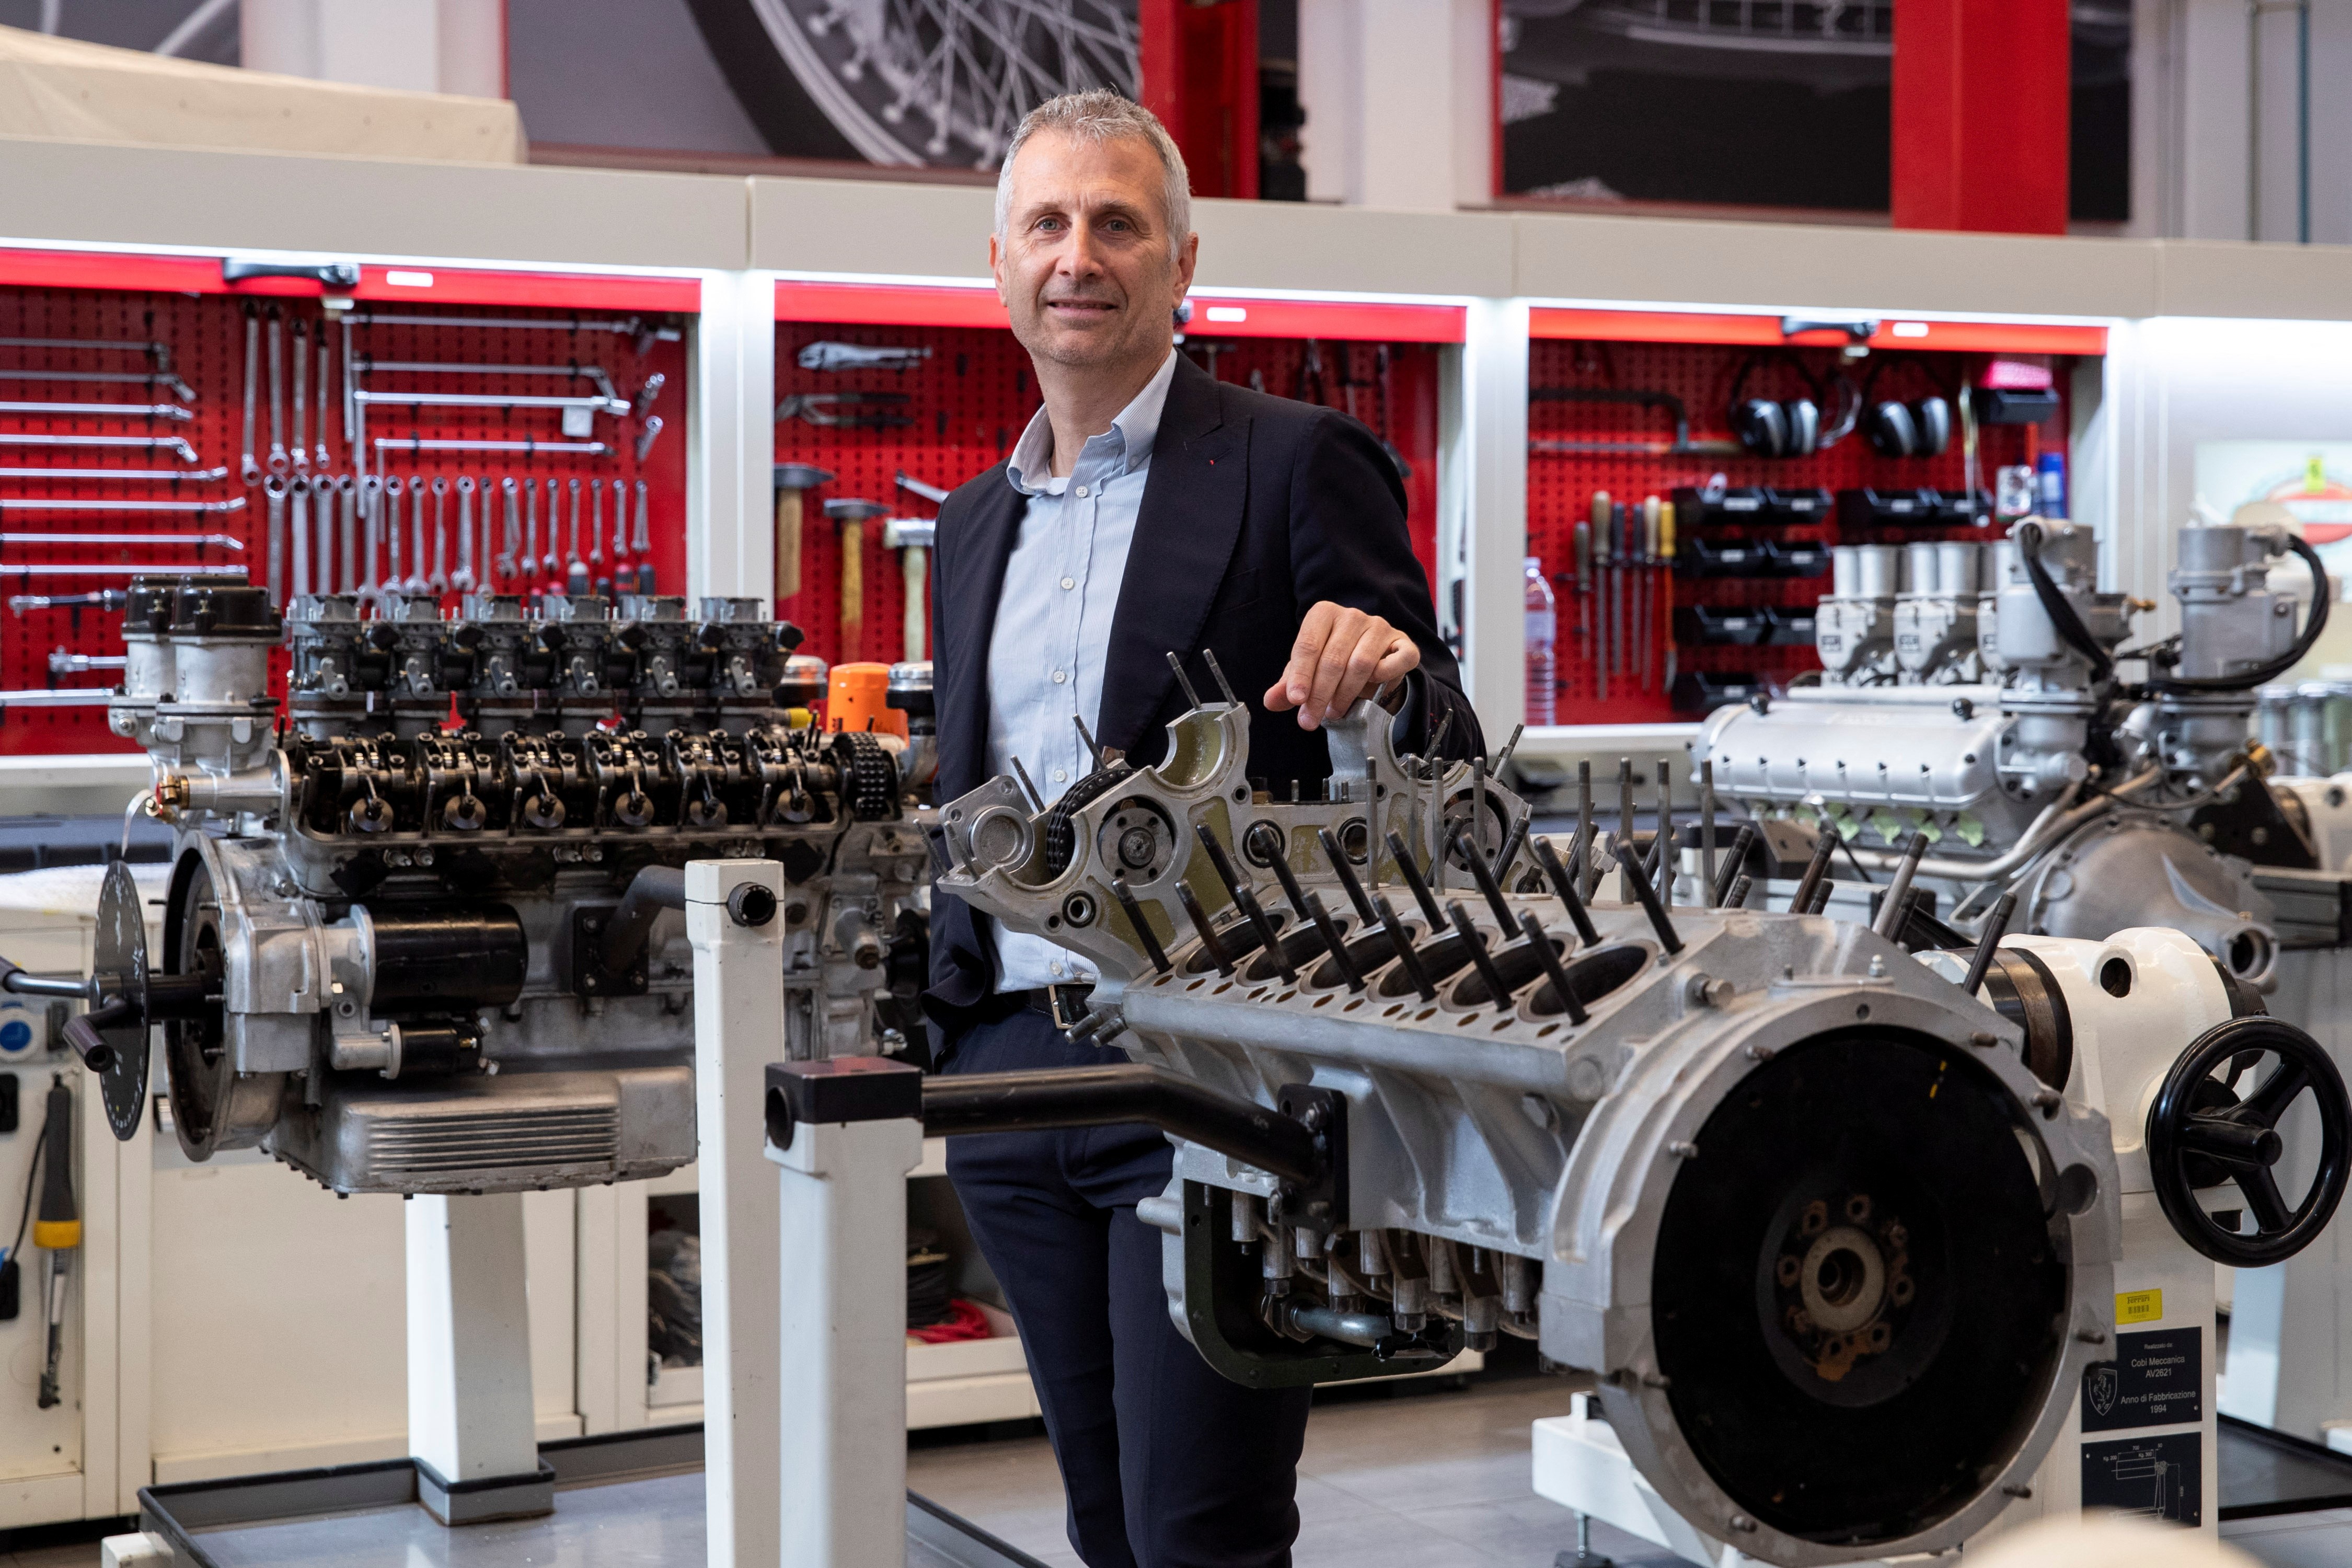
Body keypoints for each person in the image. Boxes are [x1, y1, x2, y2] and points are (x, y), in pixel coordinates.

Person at [925, 90, 1480, 1568]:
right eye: (1046, 223)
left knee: (1201, 1526)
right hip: (1007, 1079)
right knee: (1102, 1519)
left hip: (1207, 1065)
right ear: (997, 261)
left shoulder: (1295, 460)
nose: (1077, 254)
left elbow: (1434, 728)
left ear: (1182, 259)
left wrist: (1388, 670)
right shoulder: (973, 522)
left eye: (1116, 222)